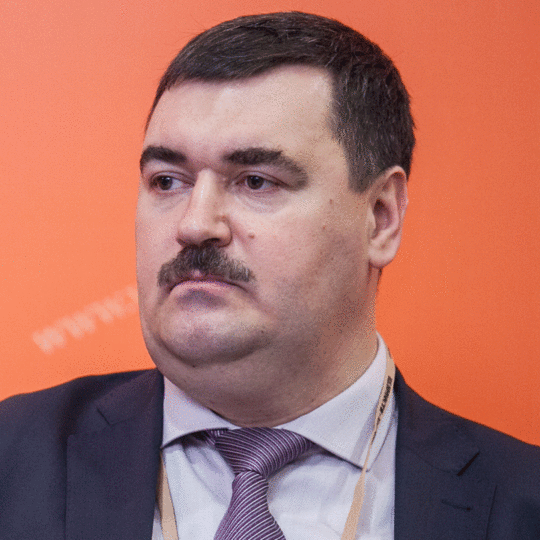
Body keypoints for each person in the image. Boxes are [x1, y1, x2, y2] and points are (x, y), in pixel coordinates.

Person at [0, 11, 539, 540]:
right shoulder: (12, 458)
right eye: (167, 181)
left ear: (380, 218)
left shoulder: (522, 504)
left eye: (256, 181)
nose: (194, 225)